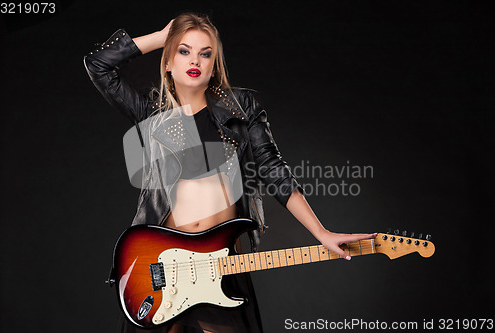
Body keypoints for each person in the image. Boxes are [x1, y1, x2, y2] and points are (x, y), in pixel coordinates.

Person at [84, 12, 377, 333]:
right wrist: (161, 37)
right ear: (168, 61)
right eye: (184, 51)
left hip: (219, 264)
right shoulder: (151, 115)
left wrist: (321, 233)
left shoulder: (241, 107)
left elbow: (272, 169)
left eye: (205, 53)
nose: (194, 59)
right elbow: (99, 64)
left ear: (214, 66)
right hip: (160, 267)